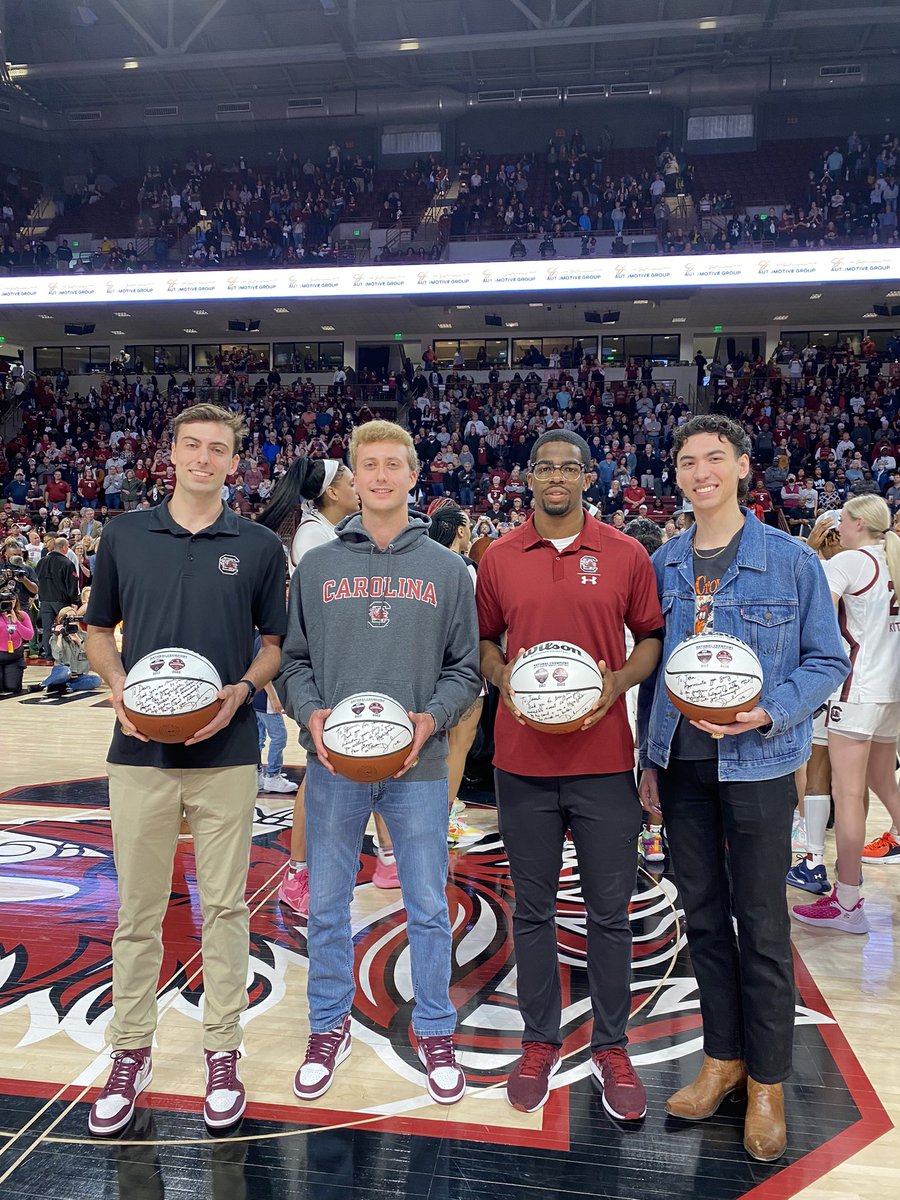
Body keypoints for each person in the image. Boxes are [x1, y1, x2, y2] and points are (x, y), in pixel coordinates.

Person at [637, 414, 849, 1163]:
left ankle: (768, 1081)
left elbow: (828, 663)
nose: (701, 472)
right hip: (684, 765)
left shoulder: (792, 561)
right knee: (701, 918)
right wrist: (647, 760)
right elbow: (653, 675)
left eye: (715, 459)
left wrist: (771, 710)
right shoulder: (661, 562)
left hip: (758, 764)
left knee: (761, 926)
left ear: (743, 467)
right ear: (678, 474)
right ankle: (721, 1059)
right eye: (688, 461)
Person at [84, 403, 287, 1136]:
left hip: (225, 753)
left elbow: (273, 642)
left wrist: (242, 690)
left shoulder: (260, 544)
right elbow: (96, 629)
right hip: (139, 752)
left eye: (219, 450)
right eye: (193, 446)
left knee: (226, 910)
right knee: (137, 913)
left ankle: (222, 1052)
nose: (204, 459)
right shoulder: (125, 534)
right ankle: (129, 1052)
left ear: (237, 462)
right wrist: (115, 687)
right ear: (170, 453)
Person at [276, 420, 481, 1106]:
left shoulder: (448, 569)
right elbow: (295, 661)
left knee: (426, 907)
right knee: (329, 907)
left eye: (395, 465)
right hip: (334, 767)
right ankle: (326, 1026)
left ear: (413, 475)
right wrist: (310, 716)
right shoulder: (321, 565)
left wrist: (432, 720)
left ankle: (435, 1028)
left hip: (417, 769)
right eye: (370, 466)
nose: (382, 476)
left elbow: (465, 671)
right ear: (353, 479)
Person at [477, 430, 664, 1119]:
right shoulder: (498, 555)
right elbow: (485, 641)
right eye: (544, 467)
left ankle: (612, 1047)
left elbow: (649, 637)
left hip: (604, 761)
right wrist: (504, 679)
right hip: (521, 763)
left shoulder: (625, 553)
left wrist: (615, 684)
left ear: (589, 477)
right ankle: (539, 1041)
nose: (556, 477)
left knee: (609, 915)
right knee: (532, 910)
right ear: (529, 477)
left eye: (569, 468)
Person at [258, 456, 399, 915]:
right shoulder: (314, 536)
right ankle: (298, 872)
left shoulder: (337, 529)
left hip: (354, 666)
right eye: (348, 478)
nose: (358, 484)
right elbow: (317, 620)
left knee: (373, 757)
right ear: (333, 491)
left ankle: (388, 856)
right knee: (319, 778)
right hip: (326, 673)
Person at [792, 495, 900, 930]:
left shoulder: (850, 563)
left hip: (858, 690)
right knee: (880, 778)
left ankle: (848, 902)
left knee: (850, 794)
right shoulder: (891, 559)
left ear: (854, 523)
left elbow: (811, 616)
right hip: (892, 690)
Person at [427, 502, 484, 848]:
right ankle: (442, 819)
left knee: (428, 748)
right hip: (460, 668)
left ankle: (423, 815)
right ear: (461, 531)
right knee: (458, 748)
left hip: (425, 667)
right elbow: (478, 621)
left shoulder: (422, 562)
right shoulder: (466, 568)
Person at [34, 535, 80, 659]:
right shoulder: (67, 563)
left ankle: (49, 654)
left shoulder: (42, 561)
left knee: (47, 628)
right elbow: (72, 584)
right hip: (61, 600)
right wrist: (74, 600)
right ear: (65, 548)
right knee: (65, 627)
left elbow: (36, 579)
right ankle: (65, 654)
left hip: (44, 600)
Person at [42, 605, 101, 695]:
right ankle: (42, 684)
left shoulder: (84, 635)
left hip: (78, 675)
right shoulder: (56, 637)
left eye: (74, 618)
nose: (72, 621)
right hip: (62, 670)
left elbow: (90, 654)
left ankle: (66, 686)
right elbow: (57, 656)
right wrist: (60, 636)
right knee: (65, 672)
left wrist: (77, 639)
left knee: (96, 680)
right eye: (69, 618)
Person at [0, 588, 33, 695]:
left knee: (12, 687)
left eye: (13, 600)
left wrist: (16, 623)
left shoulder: (22, 615)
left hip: (14, 657)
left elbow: (29, 636)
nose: (10, 603)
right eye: (6, 600)